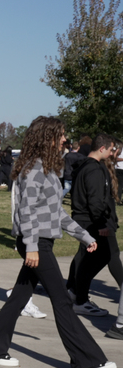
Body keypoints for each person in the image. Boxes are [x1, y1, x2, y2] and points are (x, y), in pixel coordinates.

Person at [0, 117, 115, 368]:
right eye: (60, 135)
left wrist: (84, 236)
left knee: (19, 298)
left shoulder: (49, 169)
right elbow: (26, 211)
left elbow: (56, 213)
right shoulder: (33, 168)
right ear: (47, 137)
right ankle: (86, 360)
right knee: (62, 299)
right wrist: (30, 246)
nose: (65, 139)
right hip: (35, 241)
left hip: (40, 240)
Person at [67, 134, 119, 318]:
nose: (113, 152)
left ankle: (75, 292)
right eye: (112, 149)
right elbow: (95, 200)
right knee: (98, 258)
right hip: (91, 221)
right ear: (102, 148)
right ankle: (80, 299)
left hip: (86, 220)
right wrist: (102, 223)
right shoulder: (93, 169)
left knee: (91, 259)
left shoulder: (86, 166)